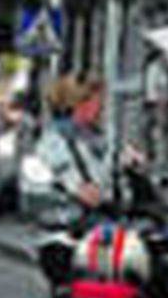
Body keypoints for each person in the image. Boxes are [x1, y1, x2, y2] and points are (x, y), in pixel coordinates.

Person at [30, 74, 113, 227]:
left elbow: (104, 178)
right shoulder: (54, 141)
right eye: (98, 101)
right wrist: (76, 190)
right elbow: (38, 185)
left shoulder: (96, 137)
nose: (102, 107)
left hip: (99, 218)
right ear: (79, 104)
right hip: (71, 224)